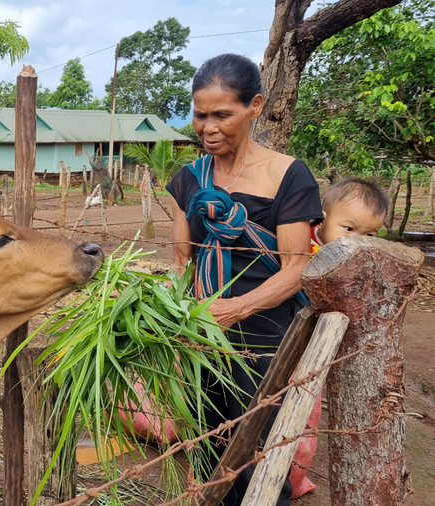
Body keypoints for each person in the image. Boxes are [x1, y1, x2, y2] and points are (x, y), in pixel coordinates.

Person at [165, 53, 323, 505]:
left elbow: (297, 267)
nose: (208, 127)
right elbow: (182, 261)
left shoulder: (288, 176)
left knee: (259, 449)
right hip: (202, 335)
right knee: (205, 441)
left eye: (222, 115)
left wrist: (235, 309)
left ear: (254, 106)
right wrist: (180, 317)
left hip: (266, 335)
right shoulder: (187, 179)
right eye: (200, 115)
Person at [290, 177, 388, 497]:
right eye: (348, 229)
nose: (356, 241)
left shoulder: (364, 261)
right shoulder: (296, 241)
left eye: (369, 235)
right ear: (322, 218)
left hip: (317, 353)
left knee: (306, 417)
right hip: (278, 341)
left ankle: (291, 481)